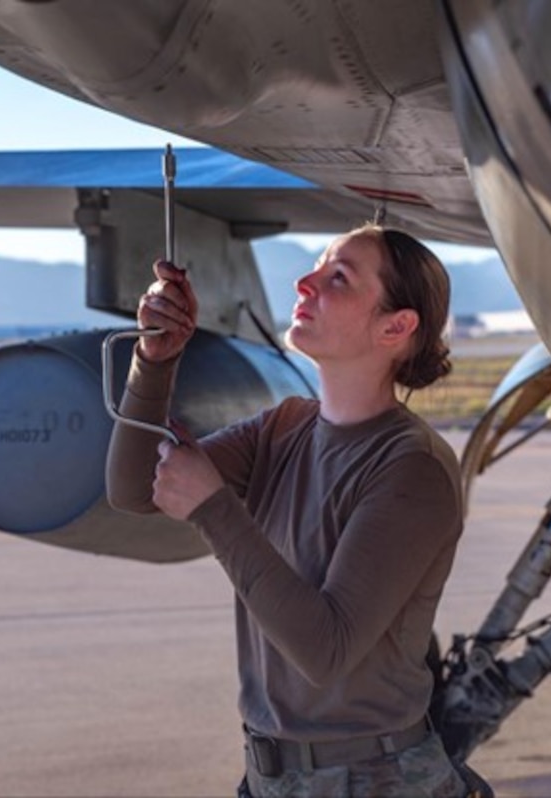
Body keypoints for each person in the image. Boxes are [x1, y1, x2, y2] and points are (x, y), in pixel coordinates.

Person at [105, 223, 470, 797]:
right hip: (275, 773)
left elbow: (325, 650)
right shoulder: (285, 426)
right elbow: (132, 488)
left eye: (338, 278)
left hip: (370, 781)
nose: (304, 282)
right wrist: (155, 360)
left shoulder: (412, 467)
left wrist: (214, 509)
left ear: (395, 327)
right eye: (318, 267)